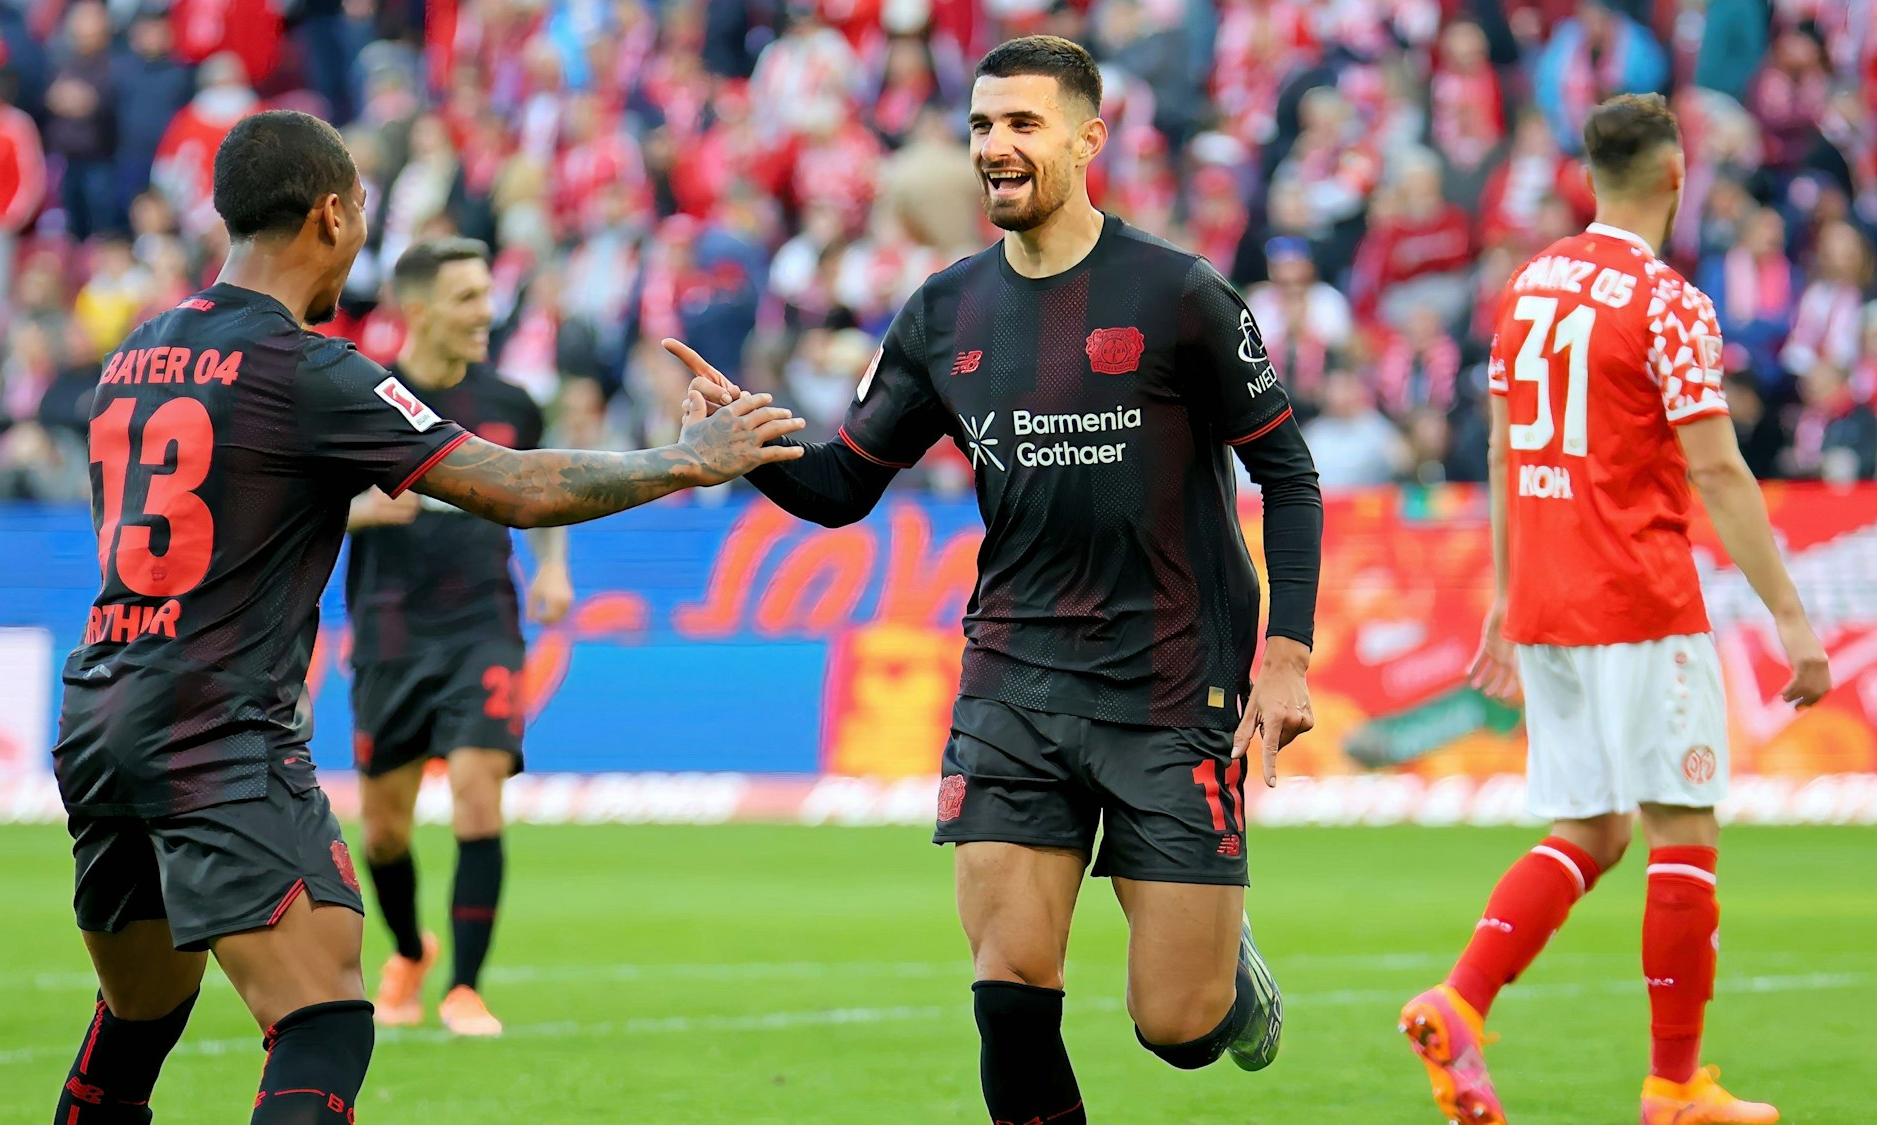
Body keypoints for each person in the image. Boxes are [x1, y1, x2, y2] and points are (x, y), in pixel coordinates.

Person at [48, 109, 803, 1125]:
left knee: (137, 1019)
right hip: (213, 721)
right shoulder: (310, 368)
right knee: (324, 1022)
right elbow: (512, 488)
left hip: (99, 714)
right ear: (331, 214)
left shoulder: (138, 354)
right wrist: (687, 461)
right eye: (361, 209)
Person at [670, 36, 1321, 1124]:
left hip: (1170, 687)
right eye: (979, 127)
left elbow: (1287, 478)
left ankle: (1221, 977)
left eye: (1020, 125)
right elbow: (842, 486)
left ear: (1085, 138)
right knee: (1009, 986)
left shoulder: (1179, 294)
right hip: (1012, 678)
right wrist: (743, 451)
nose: (994, 148)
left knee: (1174, 1025)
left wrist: (1287, 658)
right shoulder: (941, 311)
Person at [1400, 93, 1832, 1125]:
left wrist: (1505, 596)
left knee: (1590, 830)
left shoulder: (1525, 286)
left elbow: (1504, 451)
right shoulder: (1668, 300)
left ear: (1585, 176)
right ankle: (1673, 1086)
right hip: (1637, 596)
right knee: (1681, 831)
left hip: (1546, 595)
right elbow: (1717, 470)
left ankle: (1458, 1000)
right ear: (1675, 178)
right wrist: (1790, 616)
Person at [343, 237, 575, 1038]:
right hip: (390, 630)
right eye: (468, 298)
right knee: (383, 827)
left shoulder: (513, 402)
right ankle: (410, 950)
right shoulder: (361, 398)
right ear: (417, 309)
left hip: (483, 622)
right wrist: (358, 507)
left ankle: (465, 989)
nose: (487, 312)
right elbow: (298, 497)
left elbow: (546, 493)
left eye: (487, 294)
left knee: (479, 792)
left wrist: (551, 567)